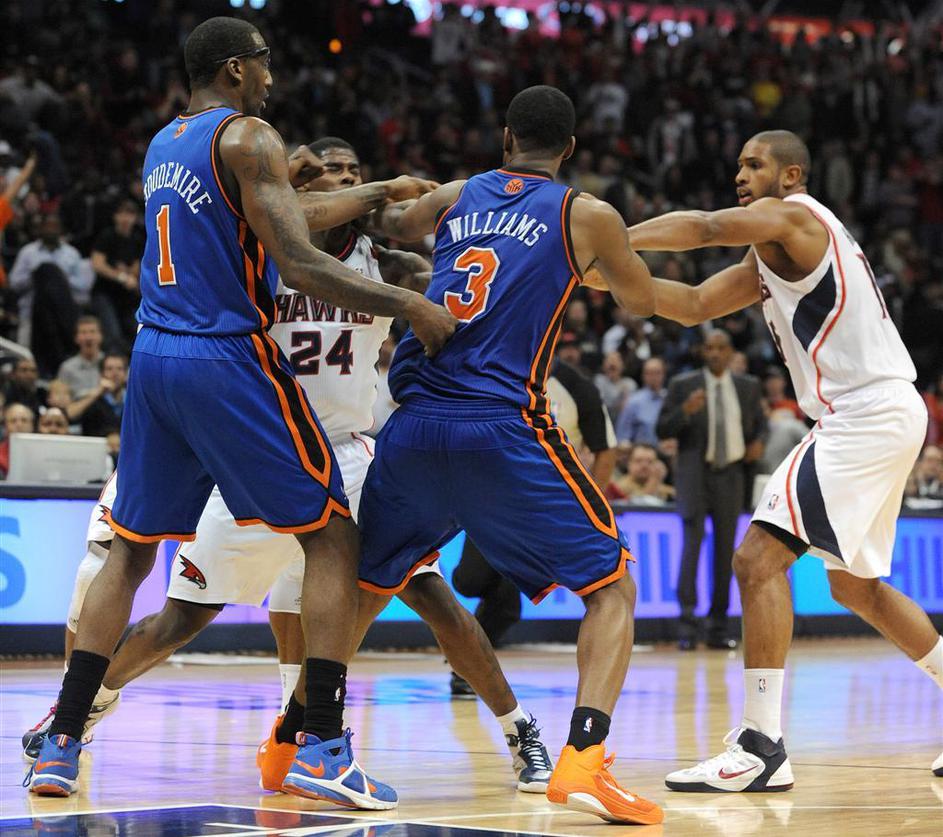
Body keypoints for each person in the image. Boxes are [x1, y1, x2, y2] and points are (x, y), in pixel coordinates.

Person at [23, 137, 553, 796]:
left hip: (344, 451)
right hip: (255, 448)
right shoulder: (261, 255)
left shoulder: (393, 266)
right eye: (332, 172)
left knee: (430, 594)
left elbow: (466, 313)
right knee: (180, 618)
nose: (345, 181)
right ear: (300, 189)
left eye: (354, 171)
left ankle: (517, 729)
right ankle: (77, 714)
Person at [26, 16, 455, 805]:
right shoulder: (251, 135)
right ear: (233, 68)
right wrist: (408, 304)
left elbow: (267, 215)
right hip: (224, 354)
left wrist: (358, 188)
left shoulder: (164, 143)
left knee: (130, 553)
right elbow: (299, 258)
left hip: (153, 355)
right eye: (262, 64)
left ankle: (61, 738)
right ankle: (321, 745)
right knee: (334, 536)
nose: (270, 78)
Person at [357, 85, 664, 824]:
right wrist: (598, 260)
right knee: (611, 586)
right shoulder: (586, 213)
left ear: (504, 139)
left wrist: (387, 191)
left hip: (413, 420)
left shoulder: (459, 193)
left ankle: (299, 737)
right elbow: (641, 301)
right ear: (570, 149)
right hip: (499, 424)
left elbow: (390, 223)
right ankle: (583, 758)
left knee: (366, 583)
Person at [627, 129, 943, 786]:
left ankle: (761, 745)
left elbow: (706, 226)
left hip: (863, 412)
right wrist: (597, 273)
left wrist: (610, 238)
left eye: (755, 164)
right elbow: (691, 304)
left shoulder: (796, 217)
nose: (740, 175)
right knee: (853, 586)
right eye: (737, 165)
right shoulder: (771, 255)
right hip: (878, 412)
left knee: (756, 559)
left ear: (791, 175)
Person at [656, 329, 766, 650]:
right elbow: (662, 428)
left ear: (731, 352)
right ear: (702, 352)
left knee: (725, 553)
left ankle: (718, 627)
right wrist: (684, 412)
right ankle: (687, 626)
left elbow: (761, 425)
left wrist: (759, 442)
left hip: (731, 475)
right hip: (695, 474)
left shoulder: (748, 386)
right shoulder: (683, 385)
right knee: (691, 546)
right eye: (709, 348)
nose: (715, 353)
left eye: (720, 348)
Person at [8, 214, 91, 375]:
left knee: (51, 273)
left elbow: (83, 288)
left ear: (61, 230)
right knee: (25, 358)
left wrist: (61, 278)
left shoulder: (71, 253)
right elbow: (14, 282)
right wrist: (36, 276)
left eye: (55, 226)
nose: (51, 230)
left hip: (64, 315)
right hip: (31, 312)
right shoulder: (28, 252)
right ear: (40, 229)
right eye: (47, 226)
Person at [90, 199, 144, 351]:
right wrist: (121, 276)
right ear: (115, 216)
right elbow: (97, 264)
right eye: (122, 214)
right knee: (112, 333)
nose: (125, 218)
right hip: (104, 294)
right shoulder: (107, 236)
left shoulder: (137, 239)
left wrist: (126, 274)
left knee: (138, 331)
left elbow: (136, 269)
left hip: (127, 297)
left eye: (129, 214)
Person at [616, 356, 667, 446]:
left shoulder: (669, 398)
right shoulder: (633, 402)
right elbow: (622, 436)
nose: (654, 377)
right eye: (649, 373)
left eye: (657, 372)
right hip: (642, 451)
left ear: (664, 374)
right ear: (643, 375)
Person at [57, 316, 105, 399]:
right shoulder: (67, 368)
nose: (88, 337)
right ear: (76, 338)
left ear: (101, 336)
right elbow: (61, 398)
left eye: (92, 332)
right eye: (83, 333)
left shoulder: (112, 365)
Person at [79, 354, 126, 437]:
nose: (115, 373)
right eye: (109, 369)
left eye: (119, 369)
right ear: (101, 374)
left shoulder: (134, 401)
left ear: (126, 374)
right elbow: (70, 416)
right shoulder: (92, 401)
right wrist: (97, 393)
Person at [0, 401, 35, 478]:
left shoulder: (42, 451)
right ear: (5, 427)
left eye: (24, 420)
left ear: (32, 425)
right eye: (13, 421)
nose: (19, 425)